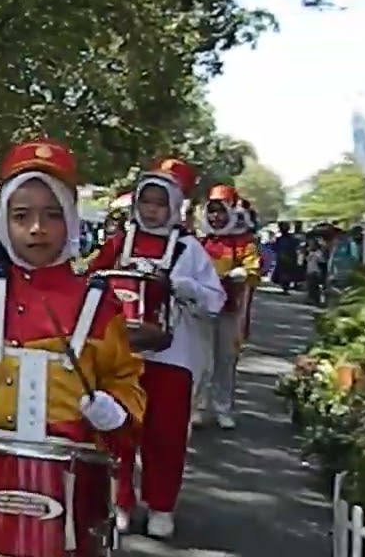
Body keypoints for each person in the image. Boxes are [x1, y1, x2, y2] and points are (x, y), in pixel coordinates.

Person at [0, 139, 145, 553]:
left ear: (70, 221)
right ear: (3, 223)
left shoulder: (100, 303)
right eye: (21, 216)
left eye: (52, 215)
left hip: (71, 481)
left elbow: (126, 377)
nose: (36, 229)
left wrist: (115, 408)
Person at [86, 158, 225, 538]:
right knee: (117, 429)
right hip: (120, 356)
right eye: (145, 202)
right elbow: (85, 280)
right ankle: (121, 501)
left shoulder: (190, 250)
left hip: (173, 355)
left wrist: (185, 287)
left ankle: (162, 505)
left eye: (159, 203)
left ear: (174, 207)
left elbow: (216, 301)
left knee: (166, 434)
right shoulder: (116, 243)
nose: (151, 210)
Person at [195, 184, 260, 430]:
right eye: (211, 211)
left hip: (229, 307)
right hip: (200, 307)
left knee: (226, 359)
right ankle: (198, 407)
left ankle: (223, 407)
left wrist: (243, 272)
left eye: (220, 211)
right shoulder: (198, 240)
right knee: (201, 360)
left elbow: (254, 268)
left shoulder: (243, 241)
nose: (215, 217)